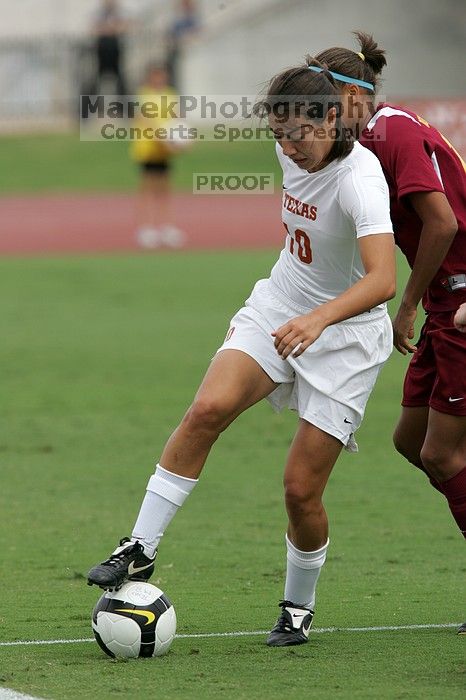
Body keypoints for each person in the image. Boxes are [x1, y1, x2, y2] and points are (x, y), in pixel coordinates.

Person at [87, 58, 395, 647]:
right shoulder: (291, 143)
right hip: (280, 304)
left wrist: (320, 318)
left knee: (300, 489)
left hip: (347, 336)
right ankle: (140, 548)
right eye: (277, 136)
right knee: (207, 409)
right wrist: (300, 312)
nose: (288, 148)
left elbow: (383, 280)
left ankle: (297, 608)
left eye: (298, 134)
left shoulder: (361, 179)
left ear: (332, 118)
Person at [314, 31, 466, 633]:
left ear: (354, 95)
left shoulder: (393, 130)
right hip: (444, 305)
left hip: (458, 304)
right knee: (412, 442)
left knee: (442, 452)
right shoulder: (363, 141)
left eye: (324, 100)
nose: (318, 114)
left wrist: (406, 304)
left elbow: (443, 222)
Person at [130, 63, 186, 249]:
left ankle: (166, 227)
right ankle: (146, 228)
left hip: (164, 150)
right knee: (148, 188)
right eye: (156, 76)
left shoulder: (170, 95)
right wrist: (165, 139)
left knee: (164, 189)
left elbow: (176, 119)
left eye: (162, 76)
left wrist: (182, 139)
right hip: (148, 148)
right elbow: (148, 121)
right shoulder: (144, 95)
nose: (160, 79)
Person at [91, 0, 130, 97]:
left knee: (121, 79)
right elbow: (94, 29)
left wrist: (111, 29)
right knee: (96, 79)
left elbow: (125, 27)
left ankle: (123, 106)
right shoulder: (98, 14)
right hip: (101, 52)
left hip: (115, 51)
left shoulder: (121, 14)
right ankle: (89, 106)